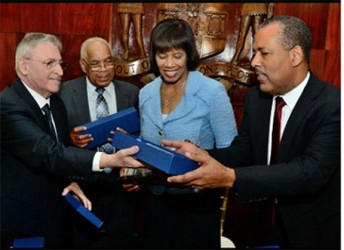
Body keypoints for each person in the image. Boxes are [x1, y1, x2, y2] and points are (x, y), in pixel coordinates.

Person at [164, 15, 340, 249]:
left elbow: (310, 171)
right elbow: (244, 151)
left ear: (295, 55)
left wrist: (230, 177)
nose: (254, 61)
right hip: (260, 229)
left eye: (263, 53)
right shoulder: (257, 98)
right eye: (254, 53)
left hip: (312, 233)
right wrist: (201, 155)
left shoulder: (333, 105)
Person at [0, 32, 143, 249]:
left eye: (60, 63)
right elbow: (48, 153)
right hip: (22, 222)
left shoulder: (54, 103)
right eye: (49, 63)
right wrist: (112, 160)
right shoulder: (7, 105)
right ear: (24, 66)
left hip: (57, 218)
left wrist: (68, 181)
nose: (59, 72)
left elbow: (58, 156)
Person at [133, 18, 238, 248]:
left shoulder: (213, 92)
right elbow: (147, 147)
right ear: (154, 56)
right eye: (162, 55)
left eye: (177, 55)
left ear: (189, 54)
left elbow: (232, 154)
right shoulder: (146, 93)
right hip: (154, 202)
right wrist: (134, 172)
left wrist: (195, 157)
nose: (169, 64)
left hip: (197, 206)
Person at [59, 36, 140, 248]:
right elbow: (52, 144)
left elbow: (144, 140)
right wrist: (70, 139)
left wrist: (129, 142)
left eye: (108, 61)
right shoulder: (63, 93)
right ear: (83, 65)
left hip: (121, 189)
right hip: (81, 186)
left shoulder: (132, 93)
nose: (104, 69)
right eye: (95, 64)